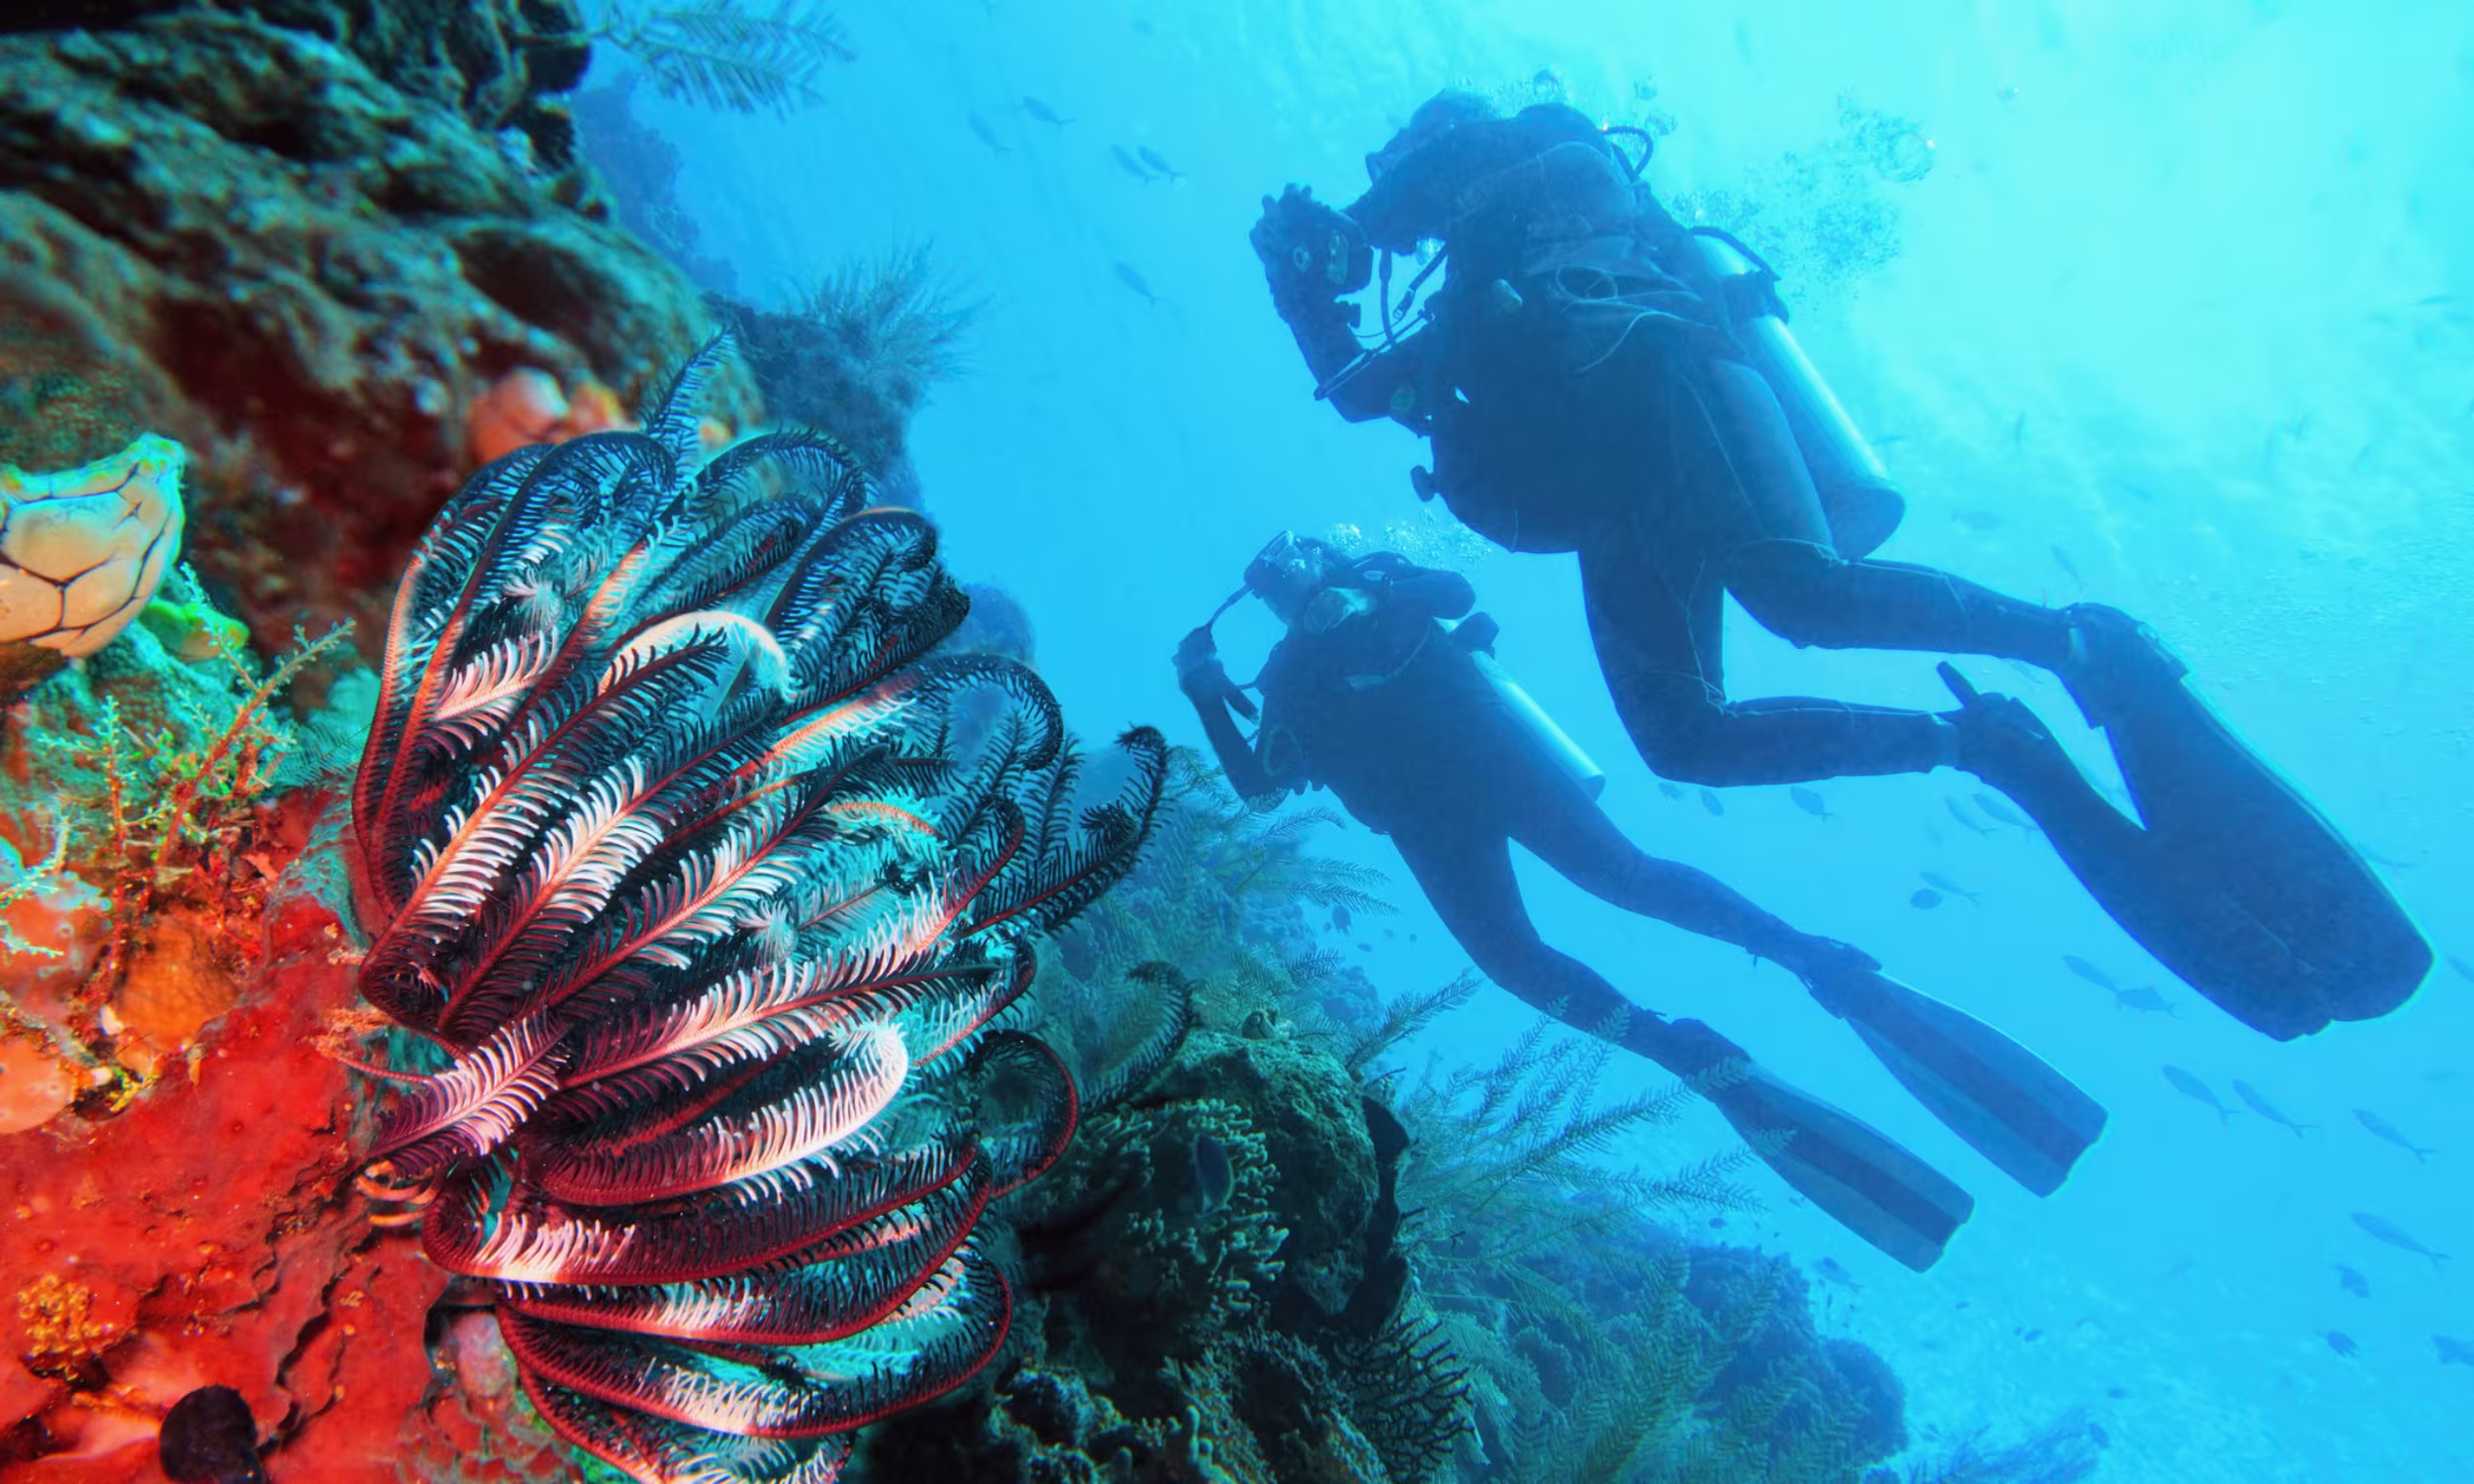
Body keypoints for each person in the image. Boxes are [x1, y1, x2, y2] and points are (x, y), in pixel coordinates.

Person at [1246, 91, 2428, 1041]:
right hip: (1612, 504)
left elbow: (1512, 183)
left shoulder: (1553, 159)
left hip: (1671, 382)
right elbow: (1367, 393)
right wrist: (1305, 298)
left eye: (1408, 150)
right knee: (1683, 739)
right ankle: (1981, 746)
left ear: (1447, 139)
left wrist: (1361, 214)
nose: (1393, 176)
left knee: (1802, 594)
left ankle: (2073, 640)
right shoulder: (1465, 275)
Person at [1174, 532, 2109, 1271]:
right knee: (1513, 965)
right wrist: (1209, 695)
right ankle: (1673, 1044)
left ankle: (1813, 959)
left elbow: (1456, 598)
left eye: (1297, 560)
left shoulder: (1377, 578)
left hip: (1494, 758)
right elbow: (1261, 784)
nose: (1291, 580)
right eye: (1274, 581)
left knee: (1625, 876)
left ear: (1317, 558)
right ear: (1265, 603)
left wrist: (1380, 593)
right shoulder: (1287, 678)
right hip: (1428, 822)